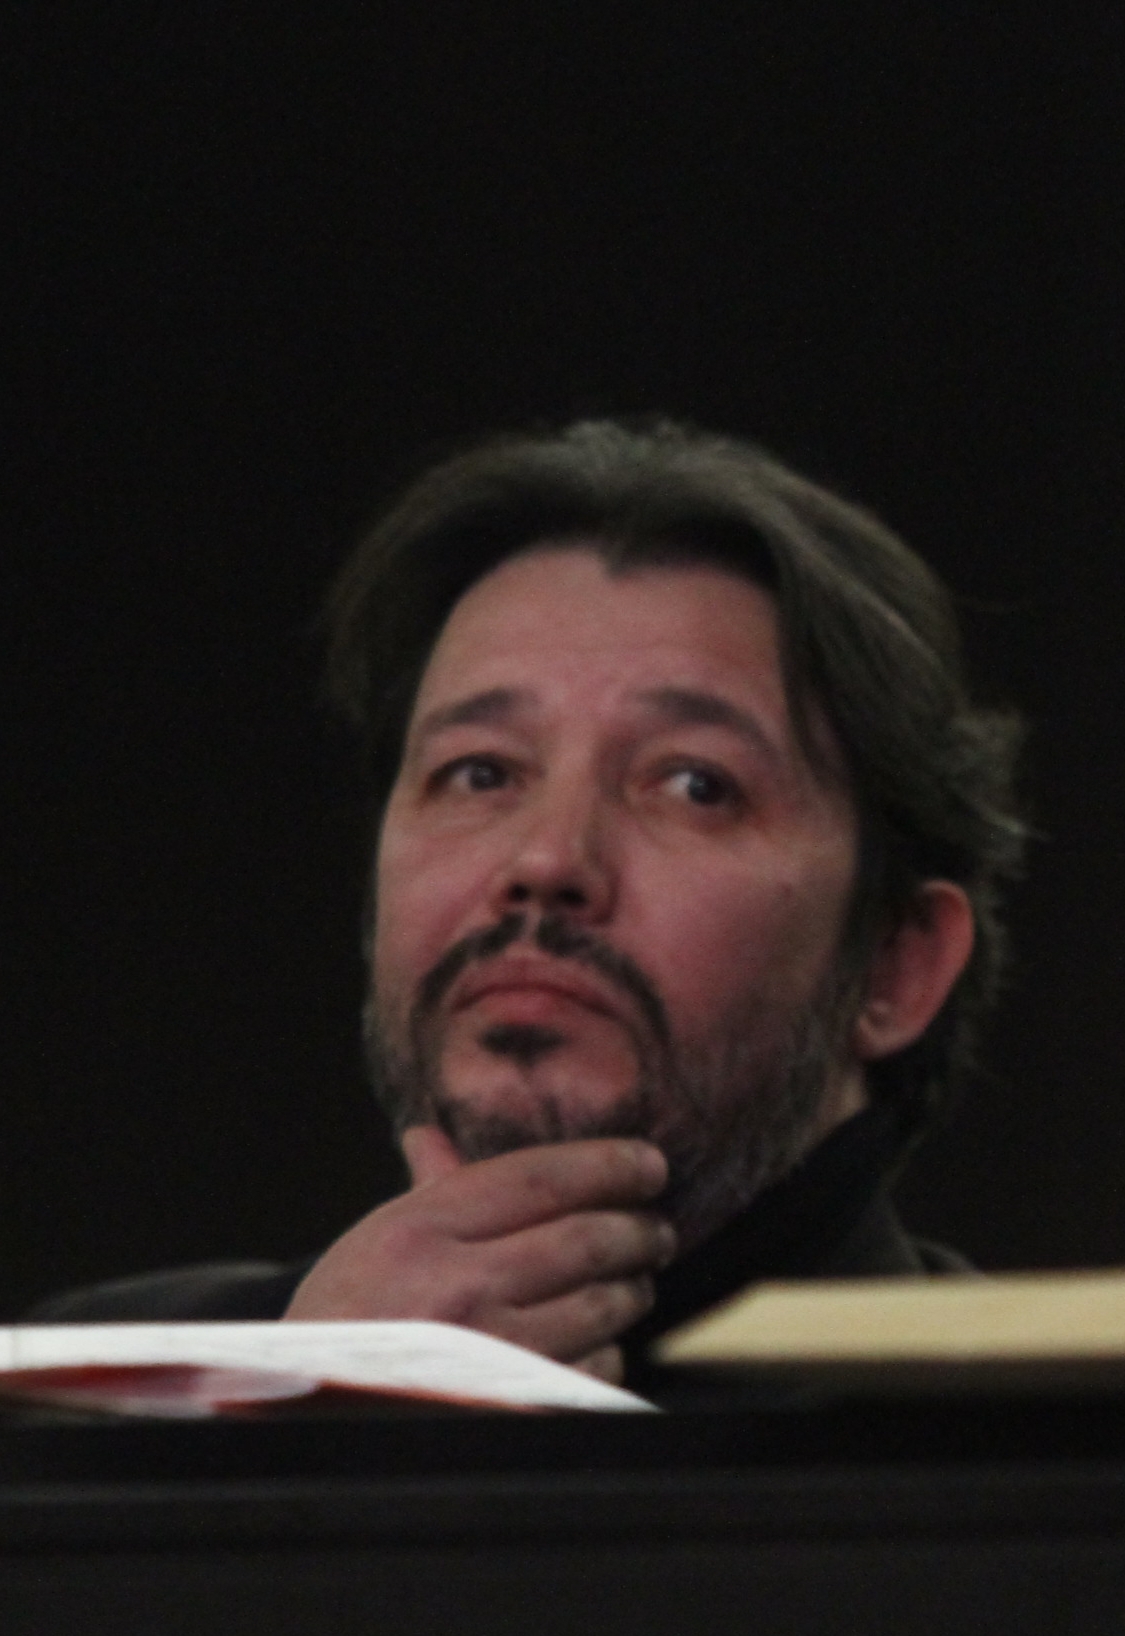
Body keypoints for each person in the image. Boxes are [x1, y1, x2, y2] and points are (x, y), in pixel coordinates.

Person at [30, 421, 1025, 1390]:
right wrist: (311, 1404)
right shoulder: (80, 1399)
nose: (545, 860)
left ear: (894, 965)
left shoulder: (1031, 1449)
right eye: (480, 772)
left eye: (694, 784)